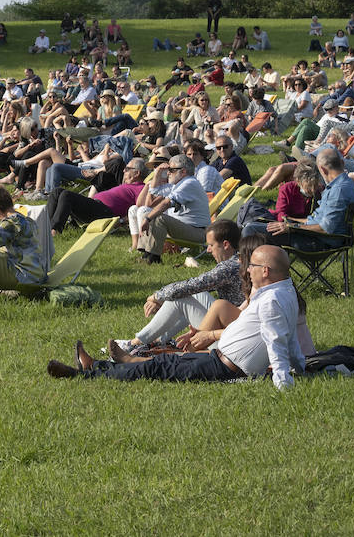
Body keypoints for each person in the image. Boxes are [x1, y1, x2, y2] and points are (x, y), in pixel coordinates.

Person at [46, 245, 306, 390]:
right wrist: (301, 366)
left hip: (224, 366)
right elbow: (289, 338)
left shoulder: (272, 299)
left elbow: (275, 340)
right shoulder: (281, 291)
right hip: (219, 358)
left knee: (157, 368)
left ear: (266, 270)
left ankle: (85, 375)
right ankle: (98, 365)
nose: (247, 270)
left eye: (252, 266)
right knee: (166, 360)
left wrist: (284, 381)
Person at [121, 219, 243, 349]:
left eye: (211, 245)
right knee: (196, 293)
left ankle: (136, 343)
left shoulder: (228, 268)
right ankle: (157, 340)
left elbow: (191, 285)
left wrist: (157, 296)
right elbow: (195, 287)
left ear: (225, 244)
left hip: (228, 339)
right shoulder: (239, 260)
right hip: (233, 325)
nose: (208, 250)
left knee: (180, 299)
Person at [128, 155, 210, 264]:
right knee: (147, 213)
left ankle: (154, 258)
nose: (168, 173)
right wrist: (157, 173)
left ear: (183, 171)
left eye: (171, 170)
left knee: (157, 217)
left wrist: (148, 219)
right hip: (186, 228)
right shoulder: (178, 185)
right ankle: (146, 254)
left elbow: (166, 203)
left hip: (197, 232)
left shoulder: (189, 183)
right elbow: (154, 192)